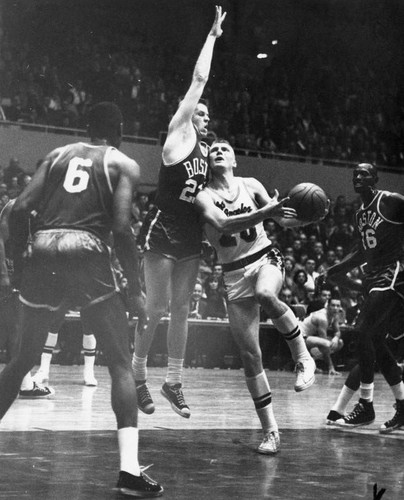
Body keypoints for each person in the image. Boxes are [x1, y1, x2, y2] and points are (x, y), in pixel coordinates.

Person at [0, 102, 163, 496]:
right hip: (85, 249)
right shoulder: (123, 163)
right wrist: (136, 289)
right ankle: (128, 471)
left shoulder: (57, 156)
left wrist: (20, 257)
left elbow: (19, 208)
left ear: (88, 128)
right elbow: (122, 229)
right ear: (119, 130)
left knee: (22, 358)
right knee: (121, 364)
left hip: (43, 247)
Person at [132, 6, 226, 418]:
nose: (205, 116)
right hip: (163, 225)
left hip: (189, 231)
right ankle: (138, 373)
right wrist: (213, 36)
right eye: (200, 111)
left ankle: (173, 381)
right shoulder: (178, 133)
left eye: (206, 114)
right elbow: (199, 80)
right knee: (154, 309)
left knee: (183, 308)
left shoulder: (207, 153)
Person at [194, 139, 317, 454]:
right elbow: (222, 223)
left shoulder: (250, 184)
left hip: (265, 258)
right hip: (233, 273)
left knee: (265, 293)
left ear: (234, 160)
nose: (219, 152)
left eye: (225, 150)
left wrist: (308, 216)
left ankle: (304, 359)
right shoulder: (203, 197)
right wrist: (267, 211)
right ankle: (271, 431)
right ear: (208, 162)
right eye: (214, 151)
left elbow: (281, 219)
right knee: (251, 357)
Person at [318, 163, 404, 432]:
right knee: (376, 342)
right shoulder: (360, 215)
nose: (358, 177)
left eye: (364, 173)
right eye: (355, 174)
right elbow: (361, 253)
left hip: (395, 271)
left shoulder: (390, 201)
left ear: (375, 179)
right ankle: (403, 408)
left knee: (363, 329)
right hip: (375, 274)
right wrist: (334, 270)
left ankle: (366, 405)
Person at [0, 198, 55, 399]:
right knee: (15, 328)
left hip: (24, 274)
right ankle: (23, 384)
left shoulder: (51, 208)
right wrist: (4, 274)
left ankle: (23, 383)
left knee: (17, 328)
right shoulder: (16, 206)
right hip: (7, 272)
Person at [300, 297, 344, 375]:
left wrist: (336, 338)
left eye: (338, 306)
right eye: (333, 305)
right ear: (327, 306)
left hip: (311, 338)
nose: (335, 308)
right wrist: (331, 366)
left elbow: (337, 332)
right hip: (299, 338)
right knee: (326, 344)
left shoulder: (335, 315)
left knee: (339, 342)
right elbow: (324, 345)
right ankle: (310, 363)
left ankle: (311, 363)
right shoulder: (322, 318)